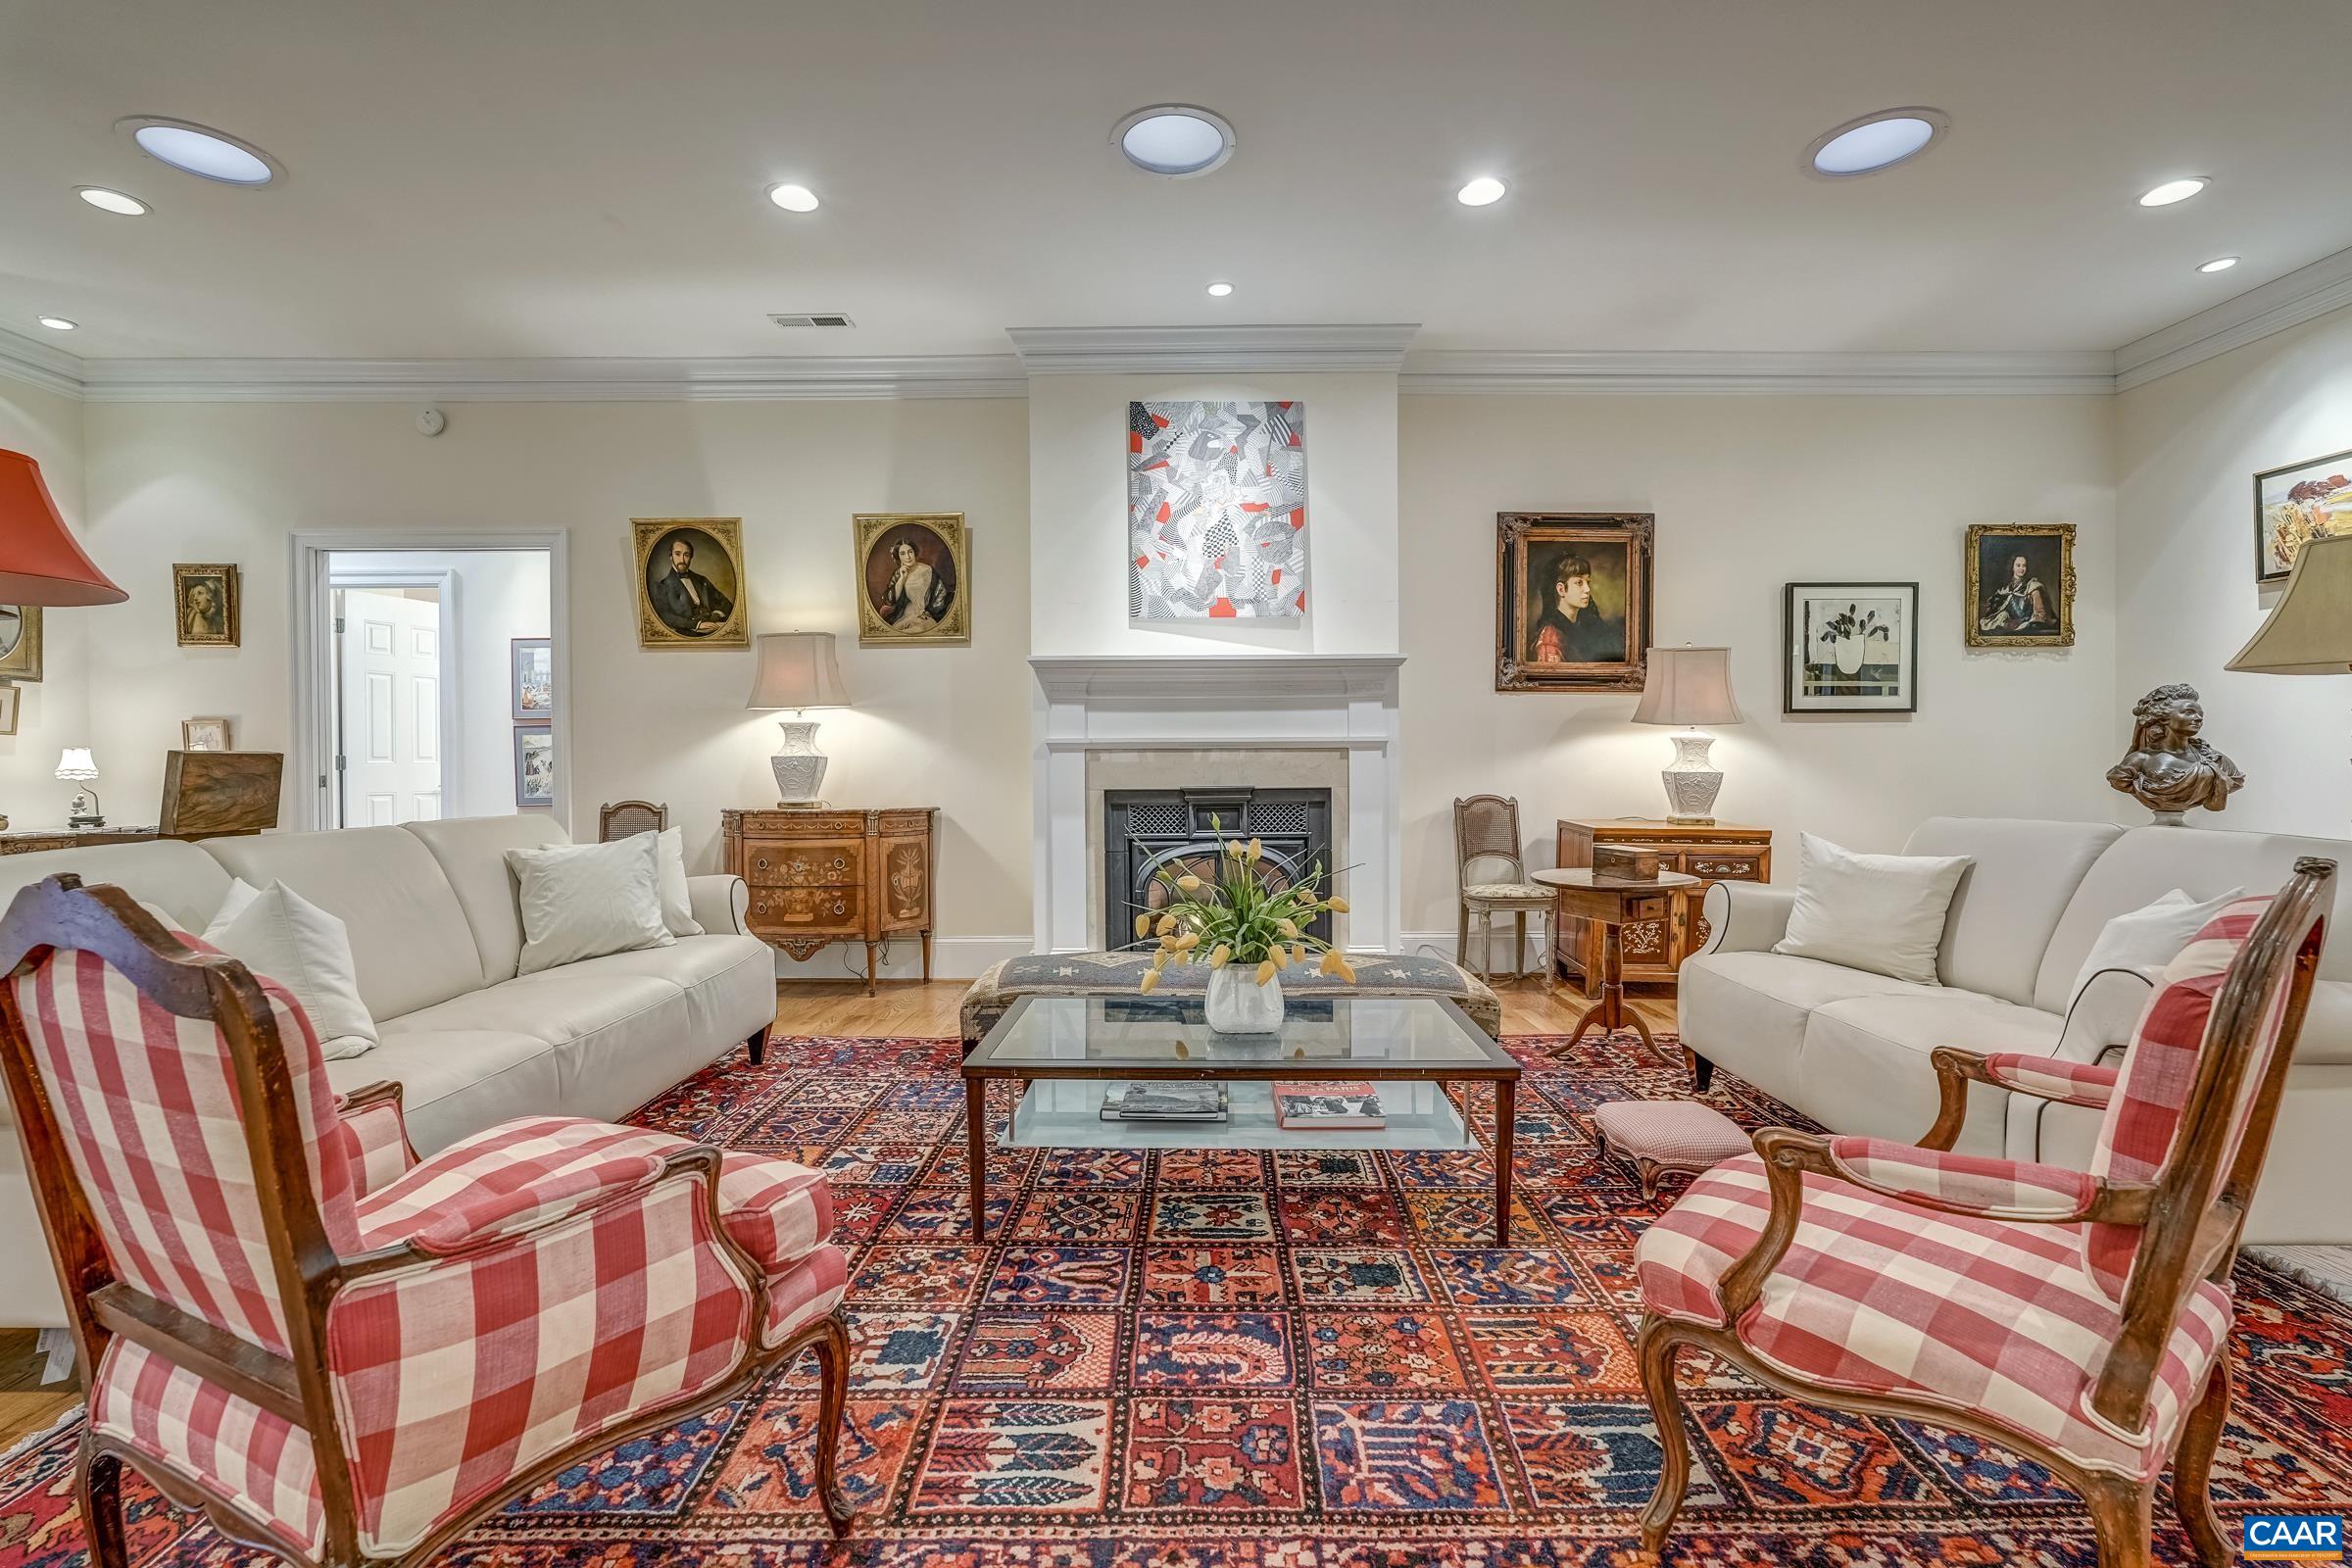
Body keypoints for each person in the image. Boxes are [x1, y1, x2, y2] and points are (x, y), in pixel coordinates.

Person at [1532, 554, 1625, 664]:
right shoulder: (1550, 639)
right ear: (1561, 589)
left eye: (1587, 582)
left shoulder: (1584, 625)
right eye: (1579, 583)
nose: (1587, 589)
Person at [648, 532, 733, 637]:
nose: (682, 560)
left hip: (714, 627)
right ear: (671, 556)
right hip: (688, 633)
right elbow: (665, 616)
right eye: (677, 554)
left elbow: (726, 604)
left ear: (691, 557)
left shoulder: (702, 580)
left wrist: (717, 614)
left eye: (686, 555)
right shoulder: (662, 586)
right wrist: (697, 625)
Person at [879, 539, 947, 633]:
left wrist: (930, 613)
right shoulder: (898, 574)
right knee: (893, 632)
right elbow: (890, 600)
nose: (908, 557)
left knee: (916, 631)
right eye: (902, 553)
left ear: (915, 552)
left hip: (925, 617)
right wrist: (902, 579)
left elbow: (940, 594)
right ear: (898, 557)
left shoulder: (928, 570)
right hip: (904, 616)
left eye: (910, 552)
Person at [1978, 553, 2055, 635]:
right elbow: (1994, 610)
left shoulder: (2033, 587)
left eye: (2024, 565)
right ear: (2012, 567)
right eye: (2018, 565)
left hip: (2027, 626)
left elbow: (2040, 614)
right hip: (2008, 627)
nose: (2021, 568)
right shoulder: (2004, 589)